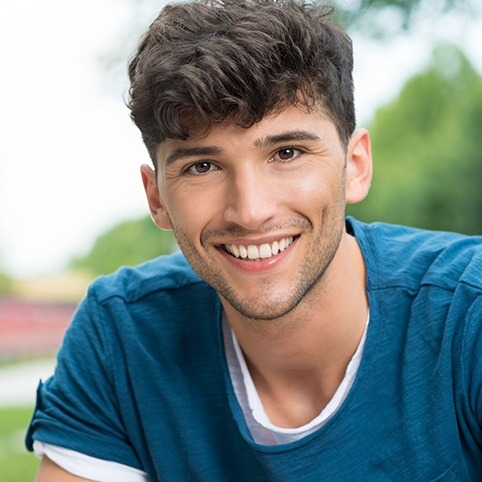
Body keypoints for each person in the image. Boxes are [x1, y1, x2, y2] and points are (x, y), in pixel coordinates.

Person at [26, 0, 482, 480]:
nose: (250, 211)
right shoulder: (120, 336)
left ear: (355, 166)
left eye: (287, 152)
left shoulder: (467, 313)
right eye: (202, 166)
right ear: (156, 197)